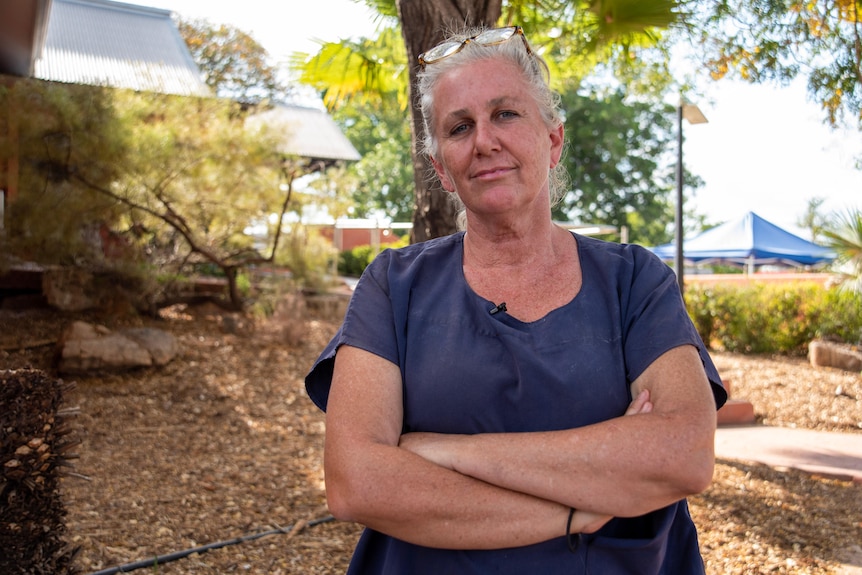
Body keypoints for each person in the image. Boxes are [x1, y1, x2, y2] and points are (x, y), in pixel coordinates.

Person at [305, 24, 727, 574]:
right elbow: (356, 483)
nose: (484, 141)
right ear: (443, 171)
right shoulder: (393, 286)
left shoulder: (635, 281)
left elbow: (684, 455)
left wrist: (440, 450)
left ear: (552, 140)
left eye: (505, 114)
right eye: (460, 127)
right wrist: (580, 507)